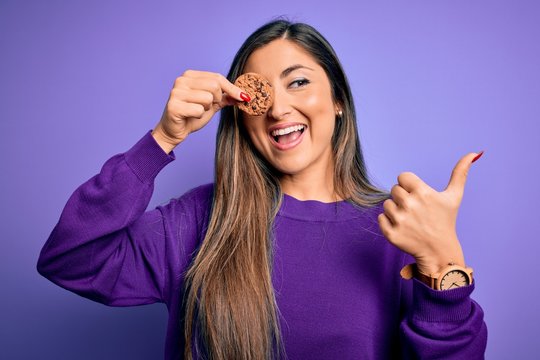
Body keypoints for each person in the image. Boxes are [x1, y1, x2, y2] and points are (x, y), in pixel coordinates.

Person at [36, 19, 487, 360]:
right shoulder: (201, 221)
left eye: (299, 82)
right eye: (259, 95)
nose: (278, 108)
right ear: (241, 112)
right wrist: (161, 141)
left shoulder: (397, 228)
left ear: (338, 102)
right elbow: (69, 259)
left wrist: (443, 263)